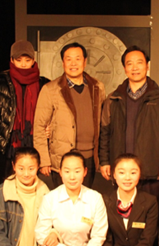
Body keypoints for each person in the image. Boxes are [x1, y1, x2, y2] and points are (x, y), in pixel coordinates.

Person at [99, 46, 159, 208]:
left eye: (139, 63)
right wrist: (105, 161)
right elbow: (105, 133)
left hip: (151, 170)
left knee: (151, 214)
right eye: (130, 63)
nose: (135, 68)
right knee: (122, 214)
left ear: (147, 66)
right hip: (122, 171)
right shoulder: (113, 98)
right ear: (124, 68)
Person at [0, 40, 50, 185]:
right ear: (12, 60)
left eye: (27, 60)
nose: (23, 64)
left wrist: (50, 127)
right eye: (19, 60)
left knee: (32, 188)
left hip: (34, 144)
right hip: (7, 145)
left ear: (33, 60)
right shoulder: (0, 82)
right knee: (5, 188)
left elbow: (54, 112)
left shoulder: (44, 84)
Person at [33, 42, 106, 188]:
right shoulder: (50, 90)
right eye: (69, 59)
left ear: (85, 61)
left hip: (89, 157)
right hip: (62, 158)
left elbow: (102, 122)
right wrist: (44, 160)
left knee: (85, 199)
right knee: (63, 199)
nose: (73, 63)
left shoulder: (97, 87)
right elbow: (39, 127)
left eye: (78, 59)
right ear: (63, 62)